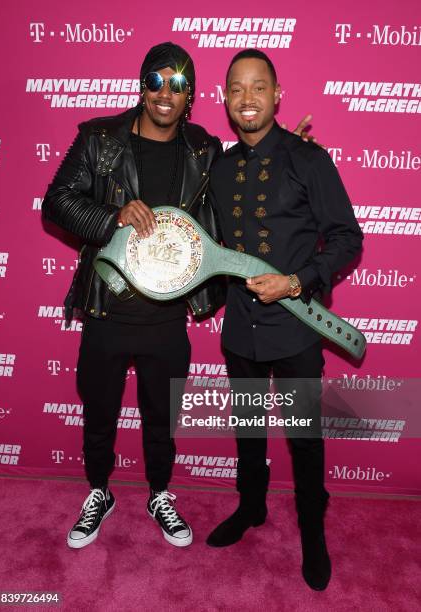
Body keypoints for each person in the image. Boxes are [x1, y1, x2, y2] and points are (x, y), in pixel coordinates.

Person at [42, 42, 226, 549]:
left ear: (191, 95)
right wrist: (112, 217)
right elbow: (55, 202)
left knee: (161, 420)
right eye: (156, 80)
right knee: (99, 414)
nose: (165, 92)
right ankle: (99, 492)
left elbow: (232, 208)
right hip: (106, 307)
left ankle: (159, 493)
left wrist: (288, 160)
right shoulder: (100, 140)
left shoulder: (204, 150)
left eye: (178, 84)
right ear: (141, 84)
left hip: (167, 318)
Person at [206, 50, 363, 591]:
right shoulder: (219, 167)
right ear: (224, 99)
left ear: (277, 95)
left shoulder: (308, 159)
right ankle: (250, 508)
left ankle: (313, 532)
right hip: (240, 329)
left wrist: (297, 282)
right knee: (248, 428)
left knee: (304, 435)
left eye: (258, 88)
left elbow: (347, 238)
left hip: (295, 326)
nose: (247, 98)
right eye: (236, 89)